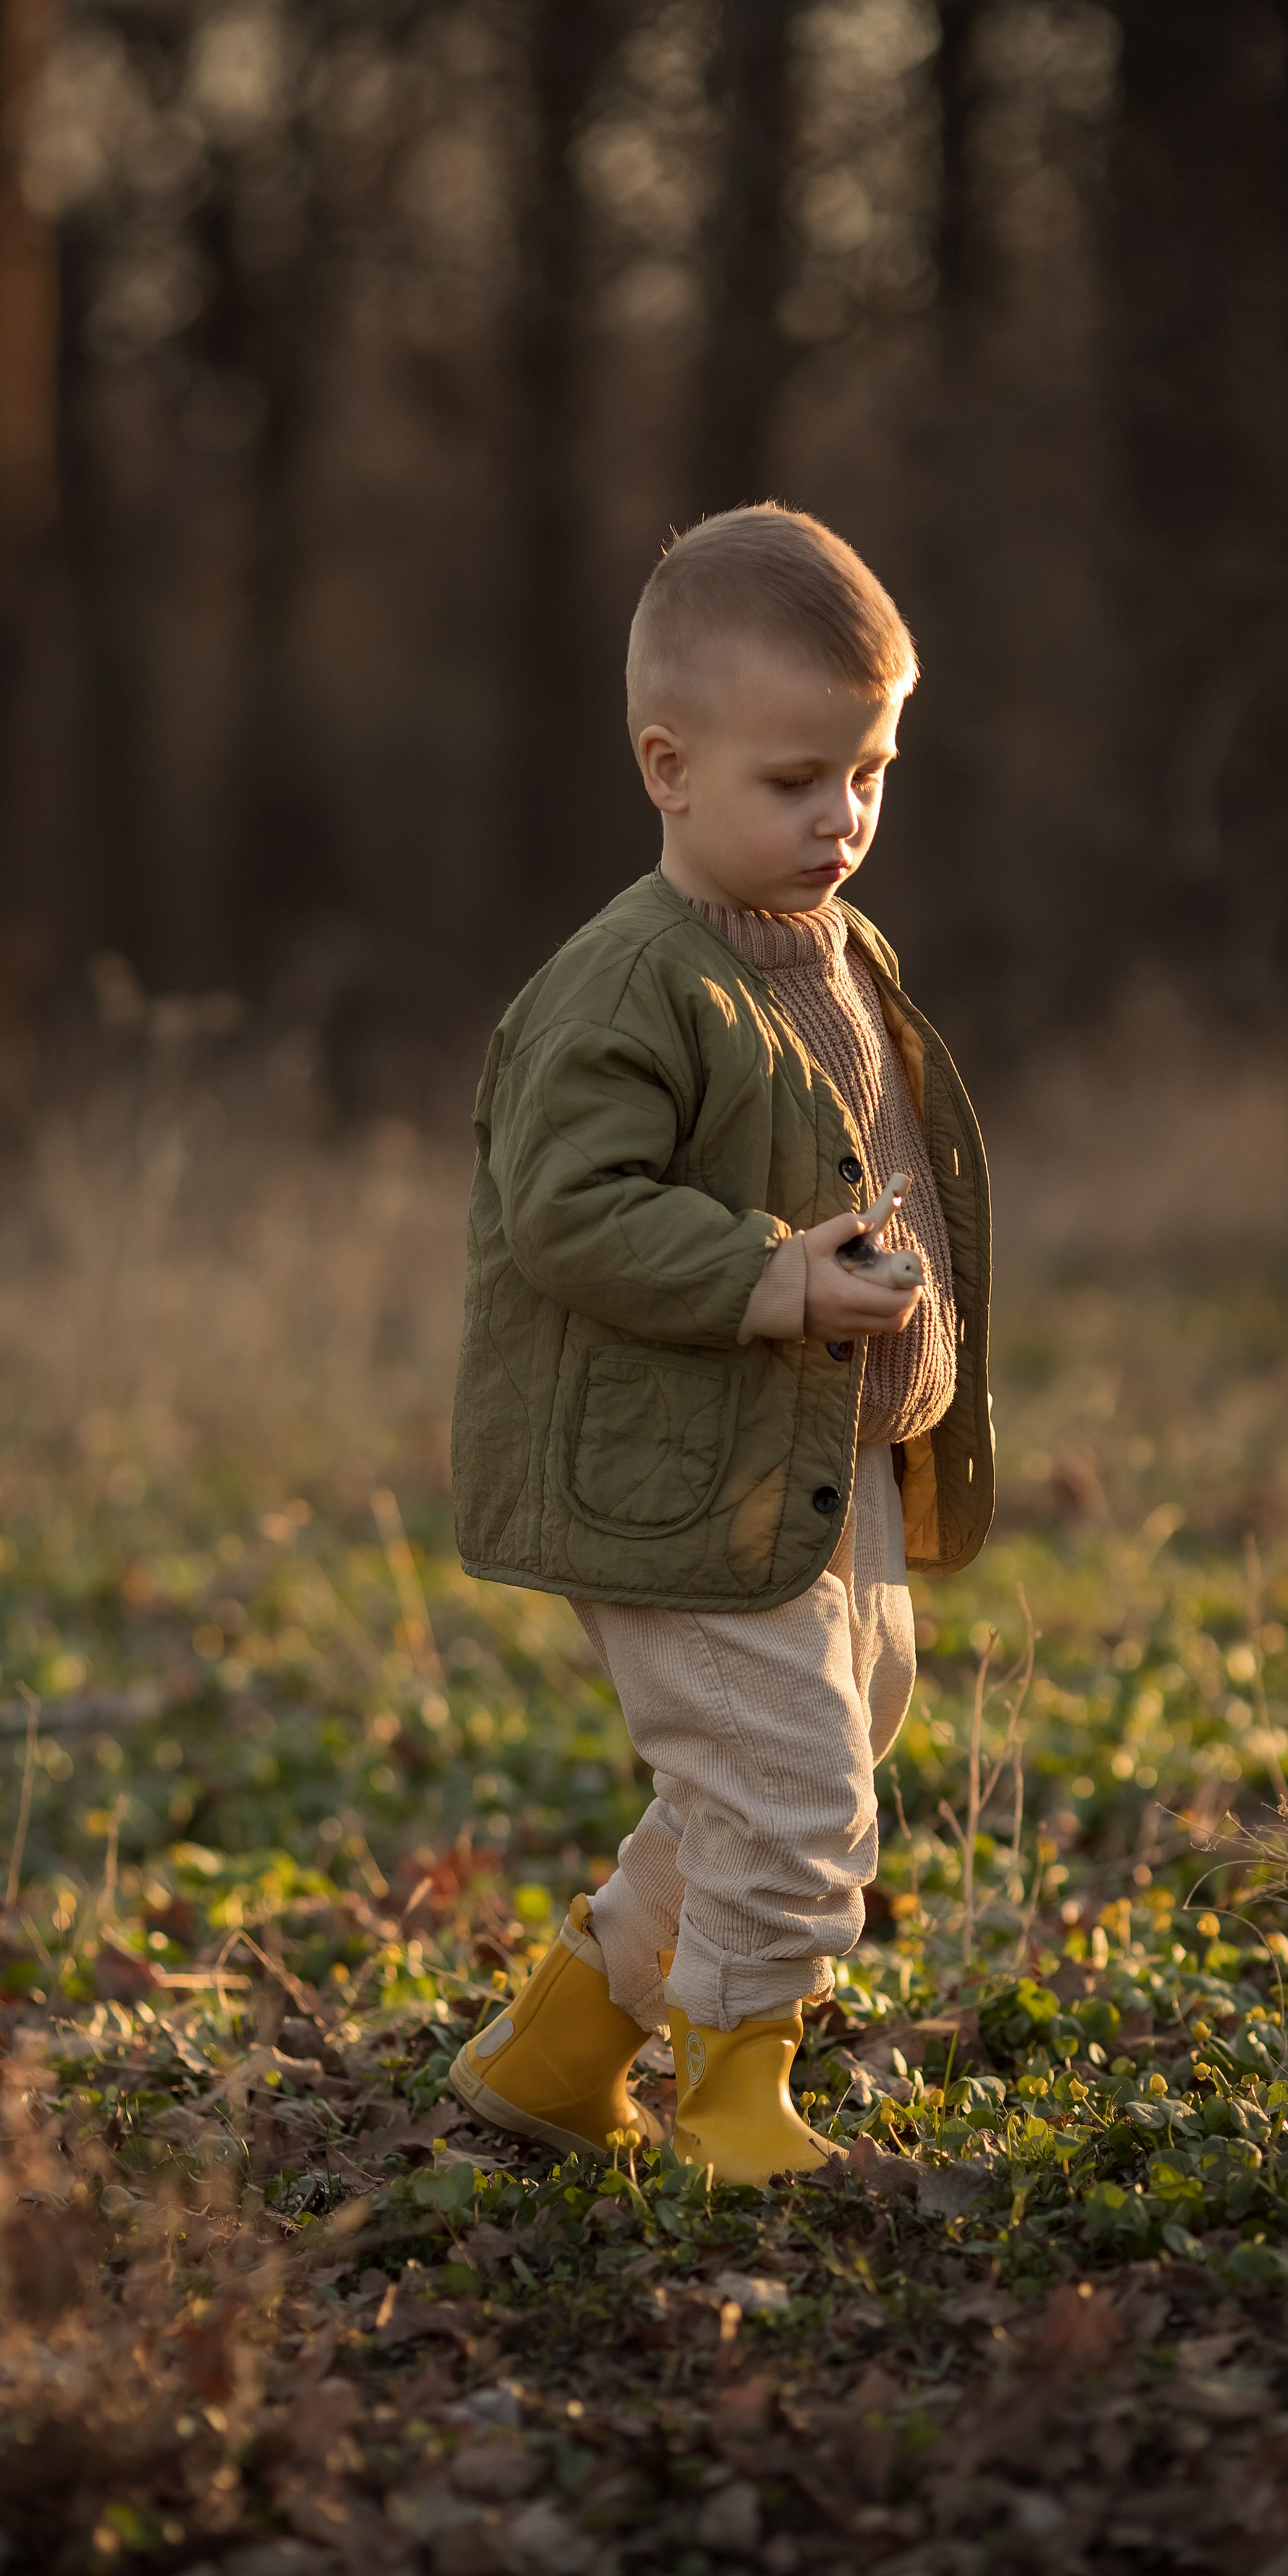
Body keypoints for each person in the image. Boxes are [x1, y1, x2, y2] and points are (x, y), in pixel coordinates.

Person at [447, 505, 994, 2187]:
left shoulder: (841, 951)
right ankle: (737, 2105)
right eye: (794, 781)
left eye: (870, 772)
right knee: (793, 1792)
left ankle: (560, 2050)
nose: (842, 817)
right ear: (667, 767)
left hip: (829, 1456)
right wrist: (772, 1279)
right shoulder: (628, 987)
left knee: (799, 1750)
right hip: (682, 1464)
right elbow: (569, 1210)